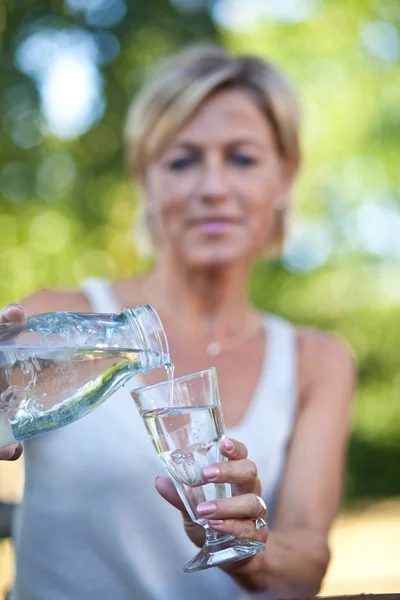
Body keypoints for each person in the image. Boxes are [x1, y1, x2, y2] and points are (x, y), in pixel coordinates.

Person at [1, 45, 355, 599]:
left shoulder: (317, 361)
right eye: (183, 160)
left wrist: (253, 553)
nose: (213, 187)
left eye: (241, 158)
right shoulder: (56, 323)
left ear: (284, 177)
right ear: (146, 181)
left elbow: (307, 562)